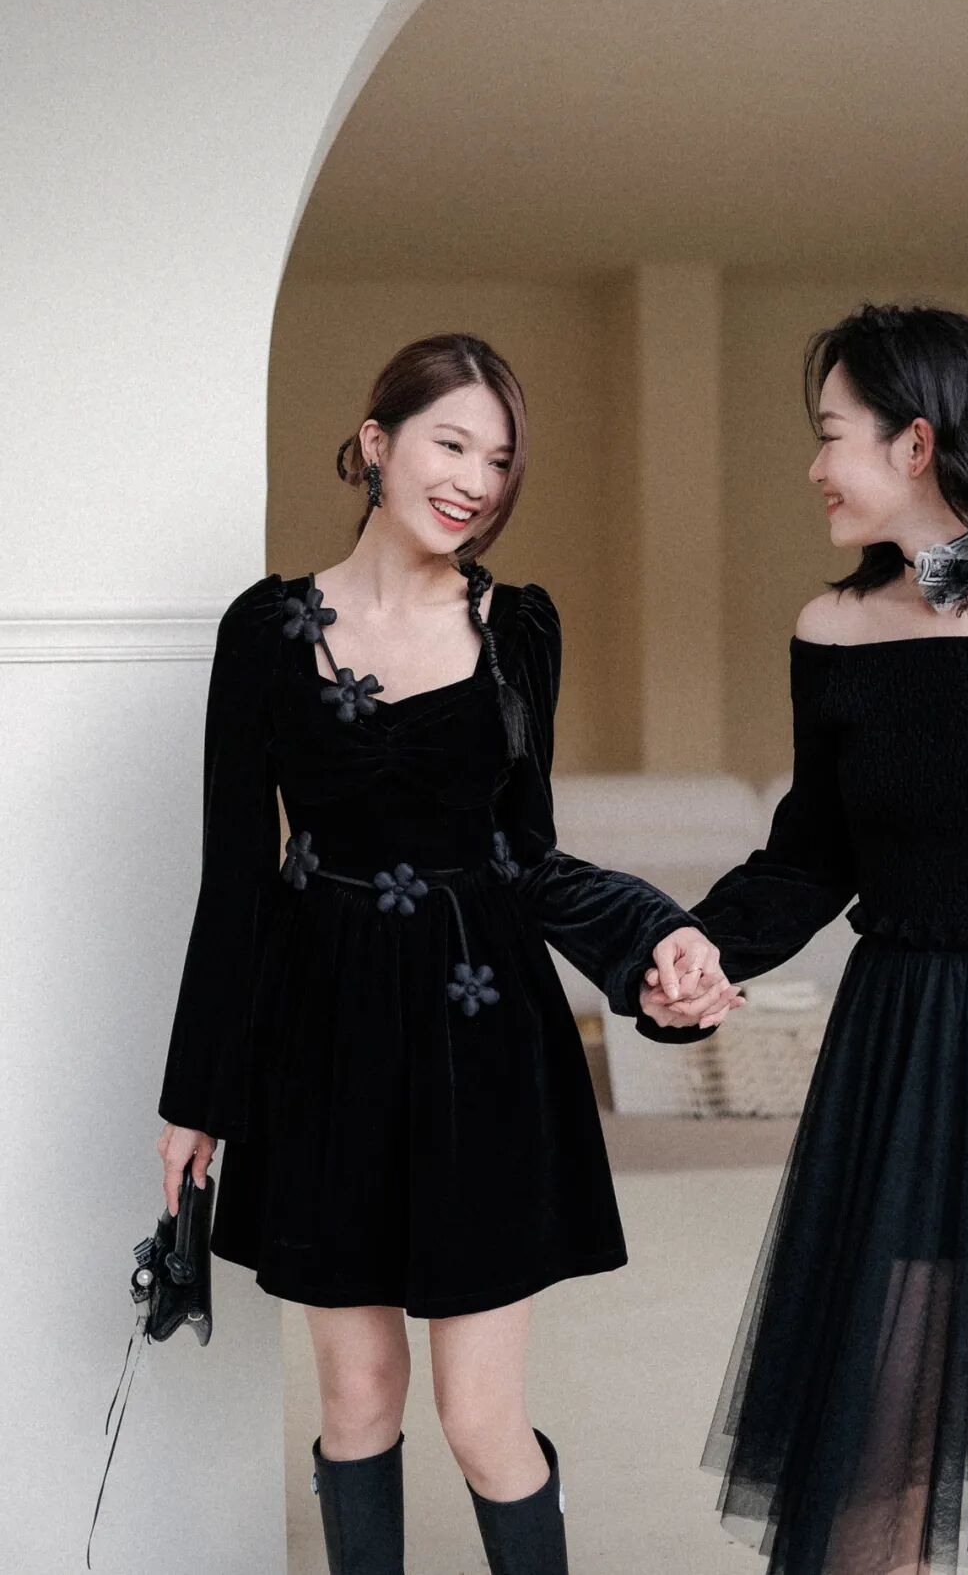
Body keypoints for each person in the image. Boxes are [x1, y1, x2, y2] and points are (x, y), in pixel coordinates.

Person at [154, 332, 737, 1575]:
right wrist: (196, 1097)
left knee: (479, 1419)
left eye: (500, 459)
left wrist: (652, 936)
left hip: (481, 1035)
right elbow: (235, 877)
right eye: (452, 444)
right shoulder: (264, 631)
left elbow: (527, 853)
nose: (476, 480)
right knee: (358, 1396)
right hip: (324, 1035)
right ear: (377, 444)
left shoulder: (517, 627)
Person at [637, 303, 968, 1573]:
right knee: (881, 1435)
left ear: (916, 444)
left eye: (832, 434)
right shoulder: (833, 634)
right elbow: (811, 854)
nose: (815, 466)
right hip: (910, 1045)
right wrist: (699, 945)